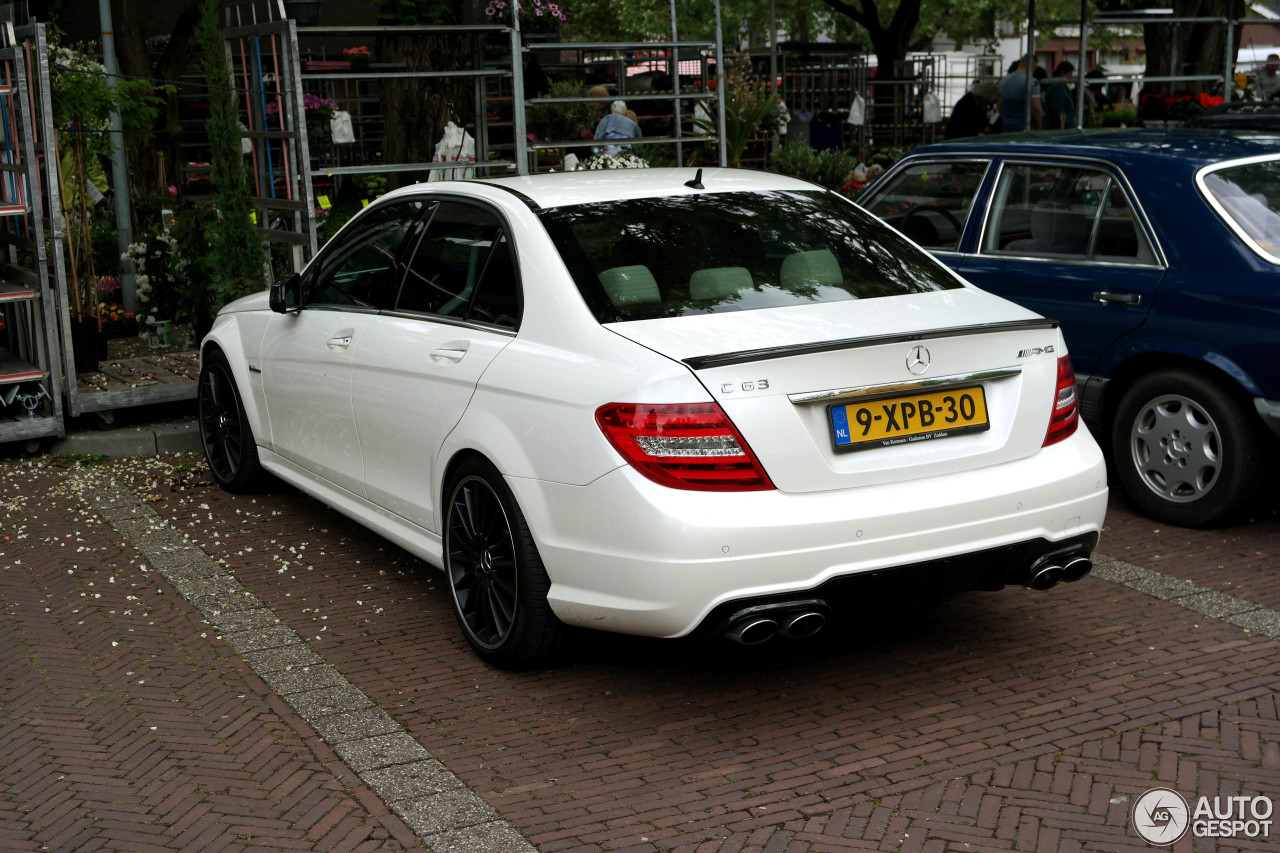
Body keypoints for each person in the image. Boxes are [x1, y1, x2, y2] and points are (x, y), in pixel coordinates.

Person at [1000, 54, 1043, 132]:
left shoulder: (1003, 82)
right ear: (1033, 66)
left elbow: (999, 106)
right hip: (1025, 128)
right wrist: (1040, 126)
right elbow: (1036, 108)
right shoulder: (1032, 82)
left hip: (1007, 127)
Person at [1042, 61, 1078, 129]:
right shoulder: (1058, 87)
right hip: (1058, 128)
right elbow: (1057, 110)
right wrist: (1068, 125)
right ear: (1063, 72)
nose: (1071, 76)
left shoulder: (1058, 86)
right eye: (1070, 73)